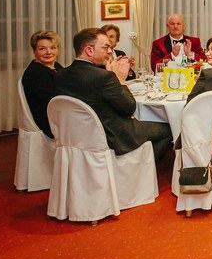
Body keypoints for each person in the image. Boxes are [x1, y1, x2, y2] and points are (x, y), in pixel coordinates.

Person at [55, 28, 172, 160]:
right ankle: (139, 165)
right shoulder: (104, 77)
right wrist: (120, 80)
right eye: (105, 47)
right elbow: (129, 107)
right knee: (168, 128)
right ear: (89, 50)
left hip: (76, 137)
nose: (110, 51)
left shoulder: (60, 75)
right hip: (111, 136)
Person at [21, 30, 64, 138]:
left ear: (58, 49)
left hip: (58, 114)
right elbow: (55, 99)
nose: (48, 52)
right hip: (49, 122)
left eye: (53, 48)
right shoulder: (36, 72)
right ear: (34, 51)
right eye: (42, 49)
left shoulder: (55, 66)